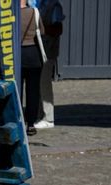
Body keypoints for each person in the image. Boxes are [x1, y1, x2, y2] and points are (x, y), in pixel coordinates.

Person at [35, 0, 65, 130]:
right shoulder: (40, 4)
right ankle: (40, 115)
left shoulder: (54, 5)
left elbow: (58, 29)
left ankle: (48, 118)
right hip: (40, 49)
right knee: (39, 85)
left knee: (44, 84)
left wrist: (39, 29)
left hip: (48, 50)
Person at [18, 0, 45, 135]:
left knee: (17, 90)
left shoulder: (12, 15)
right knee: (33, 91)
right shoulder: (34, 12)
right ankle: (31, 123)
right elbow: (42, 31)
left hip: (17, 56)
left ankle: (18, 119)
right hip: (34, 54)